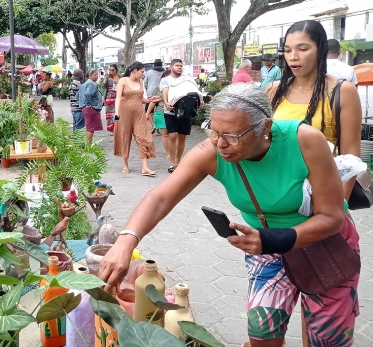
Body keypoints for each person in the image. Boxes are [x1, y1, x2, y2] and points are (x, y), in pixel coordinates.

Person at [99, 84, 360, 347]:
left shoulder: (305, 140)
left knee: (327, 339)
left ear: (265, 128)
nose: (221, 144)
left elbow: (332, 217)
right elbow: (161, 197)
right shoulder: (212, 152)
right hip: (265, 245)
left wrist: (270, 240)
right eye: (213, 130)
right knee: (262, 332)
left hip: (325, 245)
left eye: (233, 136)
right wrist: (125, 241)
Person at [266, 20, 361, 200]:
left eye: (303, 49)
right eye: (287, 50)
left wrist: (340, 207)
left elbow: (351, 158)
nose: (293, 56)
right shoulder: (273, 90)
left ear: (321, 49)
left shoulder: (343, 91)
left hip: (323, 193)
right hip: (276, 192)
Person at [113, 61, 161, 176]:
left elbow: (141, 99)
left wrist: (150, 99)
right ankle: (125, 164)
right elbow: (118, 98)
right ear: (135, 71)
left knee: (143, 137)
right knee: (125, 137)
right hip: (124, 114)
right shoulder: (123, 81)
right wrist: (116, 113)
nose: (143, 74)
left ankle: (145, 167)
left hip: (139, 113)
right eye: (142, 72)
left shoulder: (140, 81)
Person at [160, 59, 197, 173]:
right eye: (177, 65)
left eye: (181, 65)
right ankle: (172, 163)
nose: (179, 67)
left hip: (185, 111)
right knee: (172, 136)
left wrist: (199, 101)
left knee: (182, 137)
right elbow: (165, 92)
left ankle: (178, 161)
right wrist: (166, 102)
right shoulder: (165, 80)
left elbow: (194, 91)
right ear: (171, 67)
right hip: (170, 111)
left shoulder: (187, 79)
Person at [78, 69, 104, 143]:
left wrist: (83, 104)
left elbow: (78, 96)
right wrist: (90, 104)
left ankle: (89, 144)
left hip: (85, 107)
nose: (97, 76)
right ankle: (89, 145)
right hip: (91, 108)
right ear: (90, 76)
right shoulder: (92, 83)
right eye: (95, 75)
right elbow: (88, 94)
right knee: (90, 127)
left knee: (89, 126)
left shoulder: (84, 84)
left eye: (97, 75)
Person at [144, 59, 164, 134]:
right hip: (162, 95)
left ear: (154, 65)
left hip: (151, 95)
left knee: (148, 111)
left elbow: (145, 83)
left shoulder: (149, 72)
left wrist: (147, 90)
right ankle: (158, 130)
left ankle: (154, 125)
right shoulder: (165, 72)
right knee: (159, 112)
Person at [104, 64, 120, 133]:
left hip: (118, 98)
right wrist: (105, 78)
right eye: (110, 70)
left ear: (116, 70)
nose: (111, 71)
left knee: (117, 113)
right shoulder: (108, 78)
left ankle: (116, 127)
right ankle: (111, 129)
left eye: (113, 70)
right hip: (109, 98)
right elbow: (104, 86)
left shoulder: (120, 78)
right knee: (110, 115)